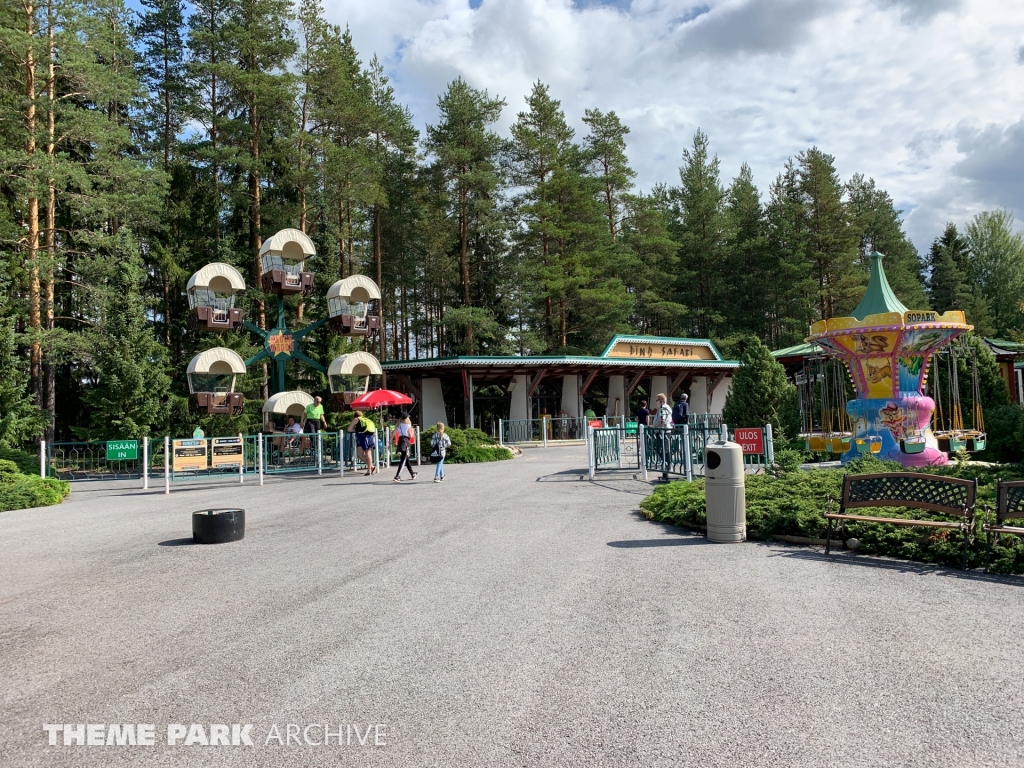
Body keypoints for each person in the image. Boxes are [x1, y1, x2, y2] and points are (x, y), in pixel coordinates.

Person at [347, 409, 378, 475]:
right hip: (368, 437)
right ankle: (371, 467)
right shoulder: (366, 419)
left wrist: (355, 430)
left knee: (367, 454)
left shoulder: (356, 419)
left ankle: (369, 471)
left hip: (363, 437)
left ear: (355, 415)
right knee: (360, 455)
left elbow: (349, 429)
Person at [392, 412, 417, 483]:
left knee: (406, 459)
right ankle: (397, 476)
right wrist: (412, 430)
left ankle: (412, 473)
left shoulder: (398, 425)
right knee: (403, 460)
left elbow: (393, 434)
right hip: (406, 442)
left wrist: (389, 442)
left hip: (400, 441)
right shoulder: (408, 425)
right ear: (406, 418)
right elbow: (411, 436)